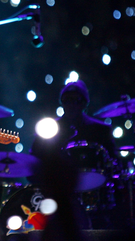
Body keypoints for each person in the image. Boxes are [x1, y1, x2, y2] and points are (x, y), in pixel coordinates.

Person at [29, 80, 120, 227]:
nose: (71, 104)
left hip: (94, 192)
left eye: (76, 100)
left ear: (84, 103)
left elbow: (113, 163)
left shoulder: (100, 130)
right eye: (67, 100)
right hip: (57, 193)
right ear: (62, 102)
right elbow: (33, 162)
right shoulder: (49, 129)